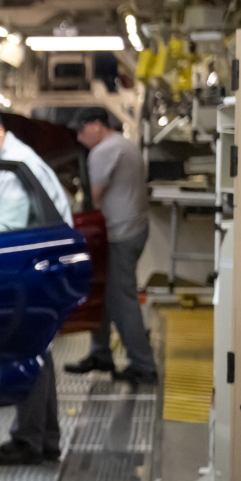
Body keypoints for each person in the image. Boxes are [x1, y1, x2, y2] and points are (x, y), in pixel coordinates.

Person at [0, 106, 72, 467]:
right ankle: (45, 438)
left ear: (0, 132)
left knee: (25, 347)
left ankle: (28, 441)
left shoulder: (13, 168)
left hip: (36, 267)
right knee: (38, 349)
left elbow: (7, 233)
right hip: (48, 262)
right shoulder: (9, 159)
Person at [65, 108, 158, 385]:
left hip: (120, 234)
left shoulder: (103, 152)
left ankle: (144, 366)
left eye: (82, 130)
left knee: (122, 300)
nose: (80, 138)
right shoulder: (124, 145)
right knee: (102, 292)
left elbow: (93, 198)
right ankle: (100, 353)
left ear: (96, 125)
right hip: (132, 230)